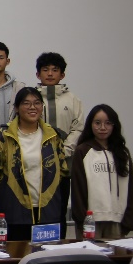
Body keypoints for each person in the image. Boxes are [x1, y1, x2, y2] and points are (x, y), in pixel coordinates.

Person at [0, 88, 69, 241]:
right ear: (16, 108)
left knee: (45, 255)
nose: (32, 107)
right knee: (14, 253)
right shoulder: (2, 136)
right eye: (26, 103)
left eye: (37, 103)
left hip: (47, 212)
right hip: (14, 212)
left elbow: (62, 172)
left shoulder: (53, 135)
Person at [71, 105, 133, 240]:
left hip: (117, 222)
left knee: (116, 254)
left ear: (114, 125)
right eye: (97, 123)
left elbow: (131, 188)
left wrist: (128, 223)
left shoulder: (123, 153)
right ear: (90, 124)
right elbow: (78, 189)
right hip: (90, 223)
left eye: (108, 123)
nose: (102, 127)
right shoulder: (83, 151)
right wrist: (82, 220)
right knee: (91, 254)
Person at [35, 51, 84, 226]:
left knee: (59, 210)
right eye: (45, 69)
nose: (50, 74)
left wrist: (64, 151)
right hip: (35, 166)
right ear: (38, 74)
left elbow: (78, 128)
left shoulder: (73, 100)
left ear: (62, 75)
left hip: (63, 166)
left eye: (55, 70)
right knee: (36, 210)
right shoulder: (30, 98)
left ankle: (59, 242)